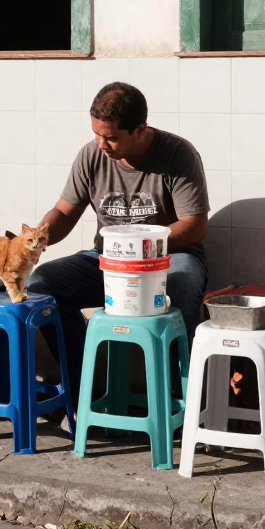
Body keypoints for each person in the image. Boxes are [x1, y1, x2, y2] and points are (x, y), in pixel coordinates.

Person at [27, 81, 209, 408]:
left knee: (181, 288)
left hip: (170, 260)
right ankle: (85, 391)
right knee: (41, 284)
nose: (101, 144)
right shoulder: (91, 156)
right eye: (97, 134)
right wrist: (37, 239)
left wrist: (145, 246)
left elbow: (195, 226)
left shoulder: (178, 154)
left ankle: (181, 400)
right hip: (106, 261)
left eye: (110, 137)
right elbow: (64, 212)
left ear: (140, 130)